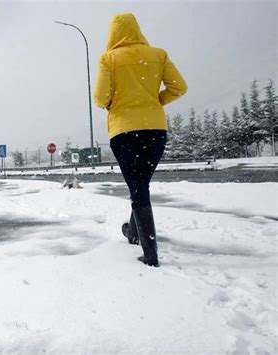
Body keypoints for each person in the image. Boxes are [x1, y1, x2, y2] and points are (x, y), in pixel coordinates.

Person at [94, 13, 187, 266]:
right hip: (155, 130)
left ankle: (151, 254)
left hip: (124, 132)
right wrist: (156, 101)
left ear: (113, 33)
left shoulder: (109, 59)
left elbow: (100, 98)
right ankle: (134, 233)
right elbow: (179, 87)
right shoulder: (159, 55)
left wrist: (116, 104)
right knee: (141, 183)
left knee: (138, 187)